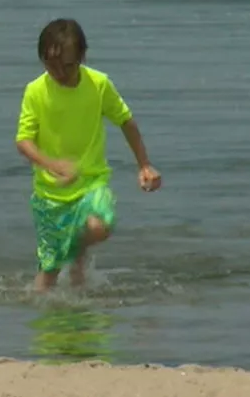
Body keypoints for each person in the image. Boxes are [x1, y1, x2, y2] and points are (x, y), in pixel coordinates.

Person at [14, 18, 162, 292]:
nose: (59, 72)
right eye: (51, 65)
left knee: (98, 226)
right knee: (48, 275)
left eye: (67, 65)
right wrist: (52, 164)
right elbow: (23, 141)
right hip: (50, 196)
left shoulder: (99, 84)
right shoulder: (35, 91)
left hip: (91, 182)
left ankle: (78, 252)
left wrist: (144, 164)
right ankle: (47, 321)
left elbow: (126, 121)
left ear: (83, 56)